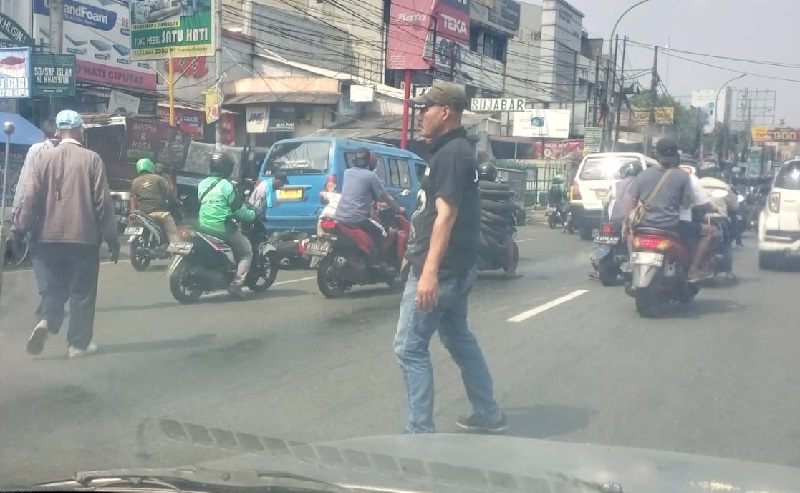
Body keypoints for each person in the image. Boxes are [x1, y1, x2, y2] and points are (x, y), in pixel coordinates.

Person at [397, 80, 504, 433]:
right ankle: (488, 413)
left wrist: (427, 272)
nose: (421, 116)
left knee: (409, 348)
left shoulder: (452, 154)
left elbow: (446, 216)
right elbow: (430, 214)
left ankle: (419, 434)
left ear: (445, 112)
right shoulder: (453, 151)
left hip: (441, 271)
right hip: (455, 267)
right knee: (458, 337)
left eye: (426, 109)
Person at [13, 110, 120, 358]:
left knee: (55, 289)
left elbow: (30, 199)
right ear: (81, 130)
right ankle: (77, 345)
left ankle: (47, 323)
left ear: (59, 132)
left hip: (49, 238)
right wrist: (113, 239)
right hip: (83, 239)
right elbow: (103, 204)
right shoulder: (92, 159)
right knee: (82, 293)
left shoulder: (43, 159)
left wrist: (19, 228)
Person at [625, 138, 710, 281]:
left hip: (644, 226)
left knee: (628, 233)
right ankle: (694, 269)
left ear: (657, 155)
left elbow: (632, 201)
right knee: (708, 232)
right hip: (671, 227)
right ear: (676, 156)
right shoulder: (683, 176)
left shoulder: (643, 175)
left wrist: (627, 223)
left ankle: (632, 263)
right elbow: (685, 204)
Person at [10, 117, 59, 319]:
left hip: (38, 210)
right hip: (62, 212)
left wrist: (16, 210)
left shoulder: (37, 150)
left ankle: (47, 295)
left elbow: (25, 182)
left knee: (38, 254)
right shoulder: (74, 150)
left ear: (43, 133)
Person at [197, 152, 257, 299]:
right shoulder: (227, 186)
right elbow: (238, 210)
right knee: (246, 252)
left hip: (203, 226)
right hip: (222, 228)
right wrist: (252, 215)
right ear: (227, 168)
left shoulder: (202, 184)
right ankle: (236, 284)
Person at [335, 147, 404, 269]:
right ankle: (379, 260)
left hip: (340, 216)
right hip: (357, 219)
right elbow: (385, 197)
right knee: (387, 232)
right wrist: (398, 209)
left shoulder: (347, 173)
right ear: (369, 162)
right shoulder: (371, 176)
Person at [698, 164, 738, 281]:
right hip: (719, 219)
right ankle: (729, 273)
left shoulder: (695, 184)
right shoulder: (723, 186)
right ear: (715, 172)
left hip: (699, 218)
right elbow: (734, 206)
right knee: (726, 244)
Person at [477, 161, 517, 276]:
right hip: (495, 228)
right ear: (493, 175)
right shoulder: (500, 194)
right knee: (508, 238)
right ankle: (510, 269)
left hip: (476, 226)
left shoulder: (474, 189)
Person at [130, 158, 182, 245]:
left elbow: (133, 198)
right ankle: (177, 253)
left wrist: (133, 212)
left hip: (144, 214)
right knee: (173, 233)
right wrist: (177, 203)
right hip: (160, 212)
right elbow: (169, 194)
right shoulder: (159, 179)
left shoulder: (135, 182)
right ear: (151, 167)